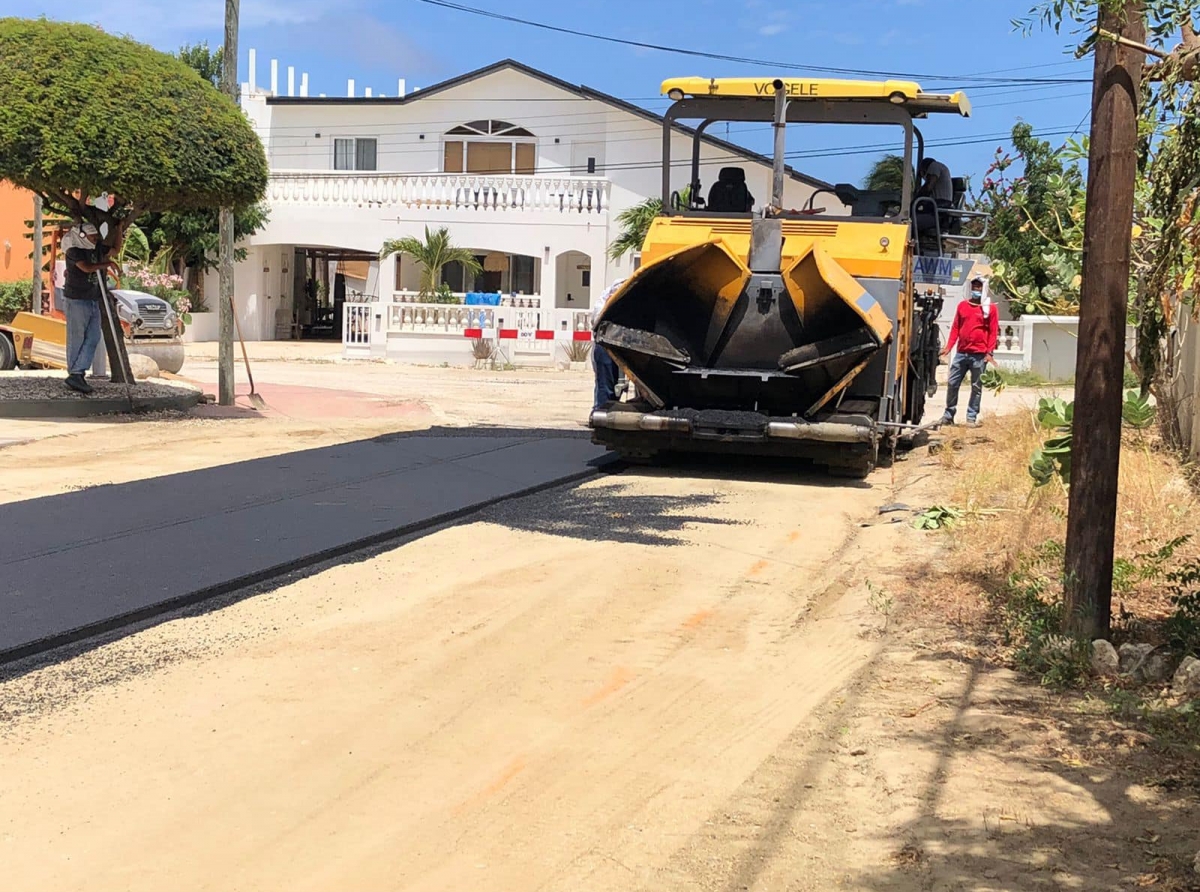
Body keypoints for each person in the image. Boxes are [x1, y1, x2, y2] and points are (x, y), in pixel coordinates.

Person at [61, 223, 116, 394]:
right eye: (91, 236)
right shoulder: (73, 252)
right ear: (82, 236)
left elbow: (115, 249)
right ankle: (75, 374)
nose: (95, 238)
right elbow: (86, 267)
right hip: (76, 299)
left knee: (93, 337)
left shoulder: (96, 249)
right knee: (76, 337)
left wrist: (119, 227)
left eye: (95, 236)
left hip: (92, 298)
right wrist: (106, 264)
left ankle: (77, 373)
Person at [939, 277, 999, 426]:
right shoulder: (962, 306)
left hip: (979, 355)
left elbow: (993, 332)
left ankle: (971, 417)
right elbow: (955, 328)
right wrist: (948, 347)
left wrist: (989, 353)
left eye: (979, 287)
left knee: (976, 387)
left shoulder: (990, 308)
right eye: (974, 287)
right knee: (953, 383)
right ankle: (948, 415)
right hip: (961, 353)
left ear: (984, 289)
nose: (976, 290)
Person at [591, 277, 625, 411]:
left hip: (622, 346)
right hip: (605, 346)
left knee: (614, 383)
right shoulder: (602, 304)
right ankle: (602, 410)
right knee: (605, 384)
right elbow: (597, 319)